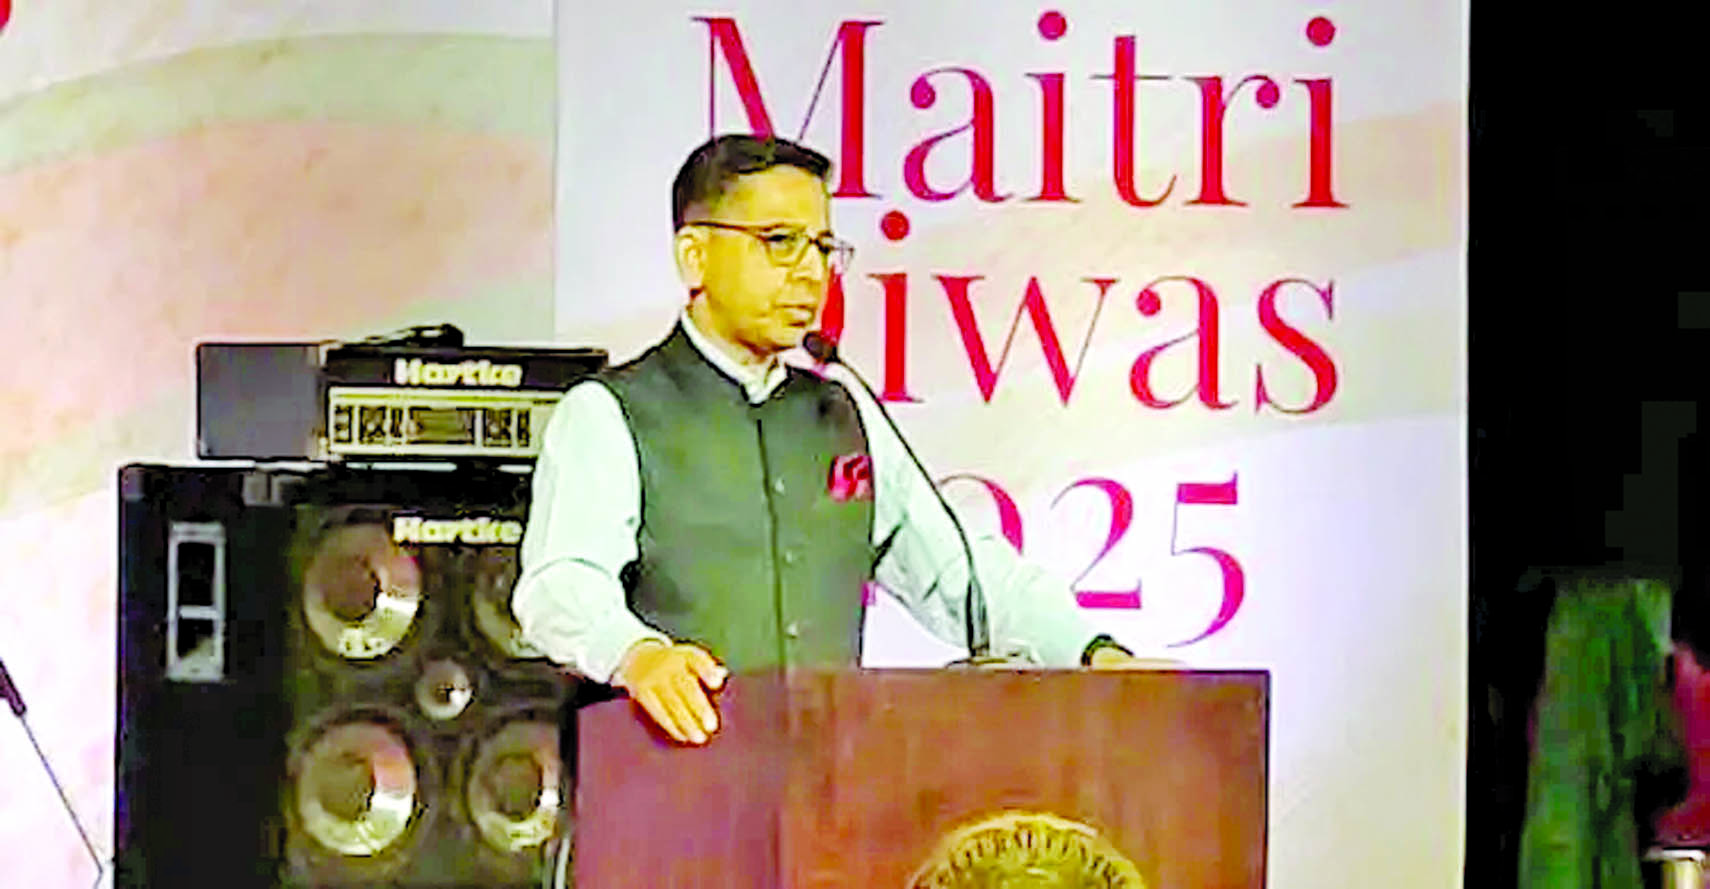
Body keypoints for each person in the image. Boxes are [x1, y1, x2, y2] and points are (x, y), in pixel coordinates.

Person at [512, 134, 1164, 746]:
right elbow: (559, 585)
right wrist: (637, 655)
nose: (810, 273)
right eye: (779, 242)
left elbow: (960, 575)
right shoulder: (611, 411)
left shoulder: (844, 412)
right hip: (671, 780)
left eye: (823, 247)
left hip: (828, 787)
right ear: (695, 256)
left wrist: (1093, 652)